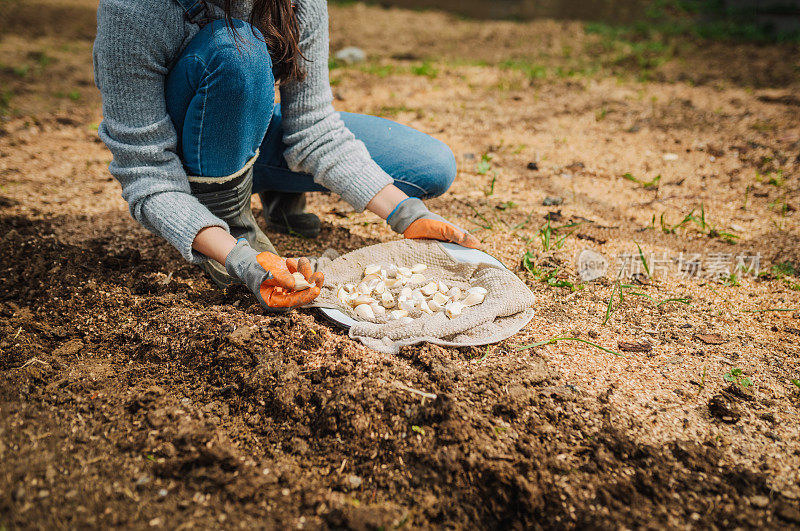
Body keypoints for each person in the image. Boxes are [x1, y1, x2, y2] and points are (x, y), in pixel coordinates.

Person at [93, 0, 479, 312]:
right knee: (236, 51)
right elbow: (148, 173)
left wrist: (407, 215)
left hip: (243, 122)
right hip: (181, 157)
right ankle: (225, 211)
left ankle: (262, 176)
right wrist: (239, 257)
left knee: (429, 167)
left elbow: (314, 129)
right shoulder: (134, 11)